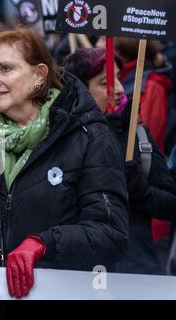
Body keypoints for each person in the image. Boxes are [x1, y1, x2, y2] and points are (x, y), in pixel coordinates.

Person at [0, 27, 129, 298]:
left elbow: (110, 232)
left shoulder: (89, 136)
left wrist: (43, 244)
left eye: (5, 69)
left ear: (39, 76)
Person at [63, 47, 176, 274]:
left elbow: (171, 203)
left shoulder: (137, 134)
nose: (119, 89)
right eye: (105, 83)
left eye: (118, 77)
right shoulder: (59, 138)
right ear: (79, 90)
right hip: (75, 275)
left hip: (134, 272)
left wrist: (139, 190)